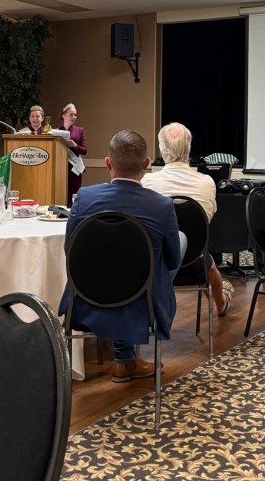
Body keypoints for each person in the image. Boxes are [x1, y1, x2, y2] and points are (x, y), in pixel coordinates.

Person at [58, 130, 182, 383]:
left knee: (115, 267)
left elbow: (70, 249)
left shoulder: (83, 198)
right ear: (147, 164)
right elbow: (172, 260)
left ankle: (124, 359)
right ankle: (125, 359)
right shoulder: (162, 206)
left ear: (107, 163)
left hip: (86, 300)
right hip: (144, 303)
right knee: (176, 243)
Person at [141, 122, 235, 317]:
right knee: (208, 261)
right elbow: (208, 219)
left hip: (155, 262)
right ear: (188, 148)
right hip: (195, 261)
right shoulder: (207, 183)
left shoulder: (148, 182)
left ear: (161, 150)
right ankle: (221, 304)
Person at [59, 103, 88, 204]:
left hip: (74, 168)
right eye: (71, 114)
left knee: (74, 196)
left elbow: (84, 150)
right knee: (60, 195)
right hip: (60, 168)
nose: (74, 117)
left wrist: (75, 145)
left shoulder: (80, 131)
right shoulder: (56, 131)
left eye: (75, 115)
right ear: (63, 115)